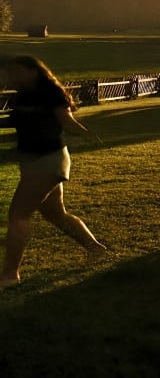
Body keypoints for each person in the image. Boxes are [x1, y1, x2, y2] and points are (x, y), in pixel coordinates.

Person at [0, 56, 107, 288]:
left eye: (14, 72)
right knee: (55, 214)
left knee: (18, 216)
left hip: (49, 160)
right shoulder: (21, 96)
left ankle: (9, 275)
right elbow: (17, 120)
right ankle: (96, 249)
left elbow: (66, 121)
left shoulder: (51, 94)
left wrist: (87, 134)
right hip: (31, 162)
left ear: (32, 72)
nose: (10, 77)